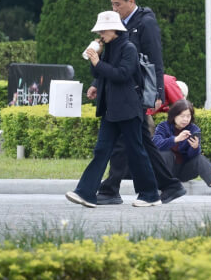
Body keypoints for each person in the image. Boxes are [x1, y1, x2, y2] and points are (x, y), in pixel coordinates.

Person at [94, 0, 187, 205]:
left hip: (135, 93)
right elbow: (110, 60)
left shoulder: (145, 23)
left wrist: (158, 94)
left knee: (124, 141)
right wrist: (97, 82)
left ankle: (110, 189)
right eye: (112, 4)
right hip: (120, 92)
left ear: (131, 2)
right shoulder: (118, 26)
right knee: (140, 141)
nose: (114, 9)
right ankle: (170, 185)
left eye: (118, 4)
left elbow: (155, 59)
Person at [66, 11, 162, 207]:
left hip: (128, 109)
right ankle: (85, 193)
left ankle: (151, 194)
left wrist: (98, 62)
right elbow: (99, 72)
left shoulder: (129, 48)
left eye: (104, 29)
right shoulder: (108, 48)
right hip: (111, 110)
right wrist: (96, 59)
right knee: (102, 150)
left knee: (136, 151)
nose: (101, 33)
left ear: (115, 29)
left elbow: (122, 74)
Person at [153, 100, 211, 196]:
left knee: (200, 158)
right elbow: (156, 145)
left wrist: (195, 147)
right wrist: (175, 139)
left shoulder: (194, 129)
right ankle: (163, 186)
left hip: (184, 170)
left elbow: (192, 156)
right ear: (174, 115)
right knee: (166, 153)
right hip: (165, 170)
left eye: (188, 116)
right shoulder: (163, 126)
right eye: (182, 116)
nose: (185, 119)